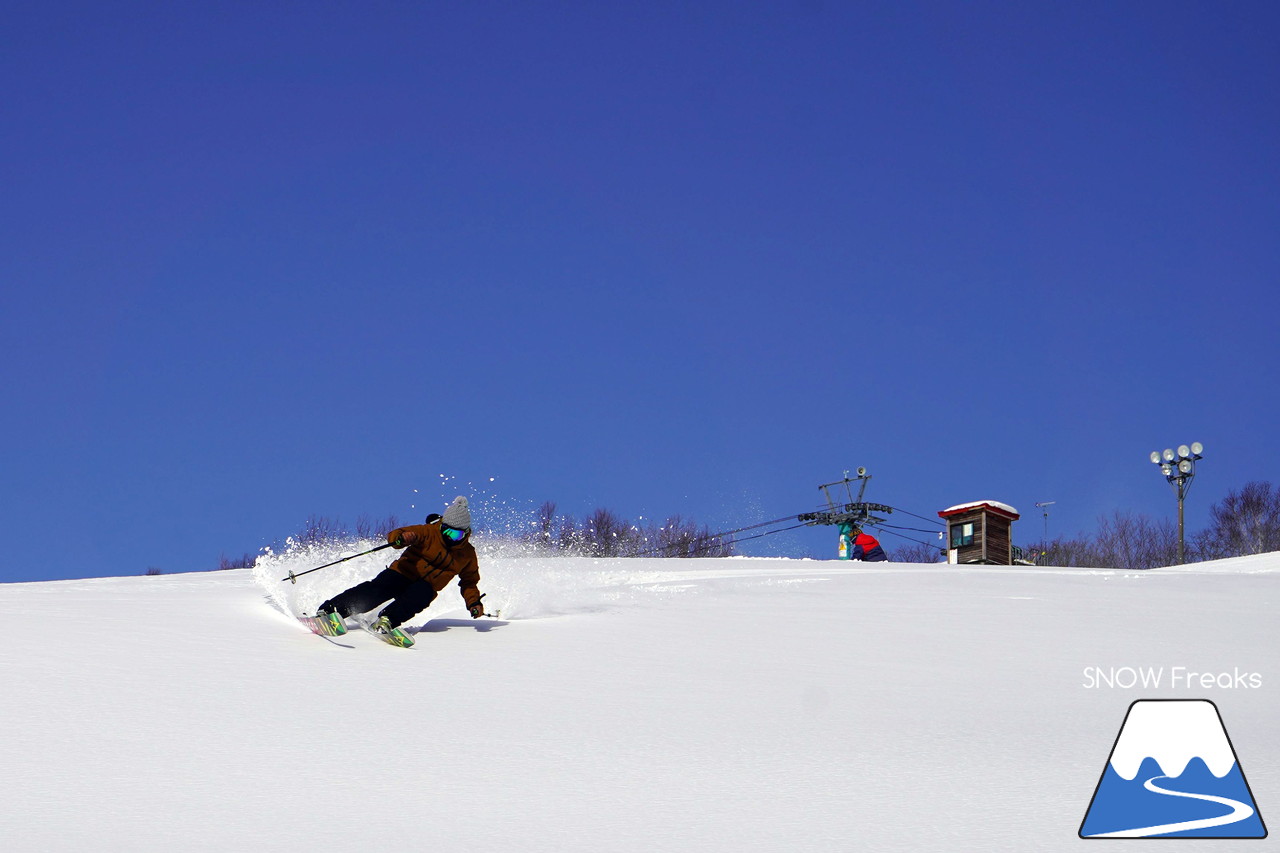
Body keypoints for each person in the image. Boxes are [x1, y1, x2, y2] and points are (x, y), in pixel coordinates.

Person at [314, 496, 485, 638]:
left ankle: (387, 621)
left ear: (466, 533)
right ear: (441, 526)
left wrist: (473, 603)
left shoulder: (467, 554)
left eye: (457, 534)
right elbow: (395, 535)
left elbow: (469, 582)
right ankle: (332, 610)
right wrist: (403, 537)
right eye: (447, 531)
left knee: (421, 595)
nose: (450, 537)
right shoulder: (428, 532)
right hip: (402, 572)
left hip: (426, 586)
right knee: (378, 590)